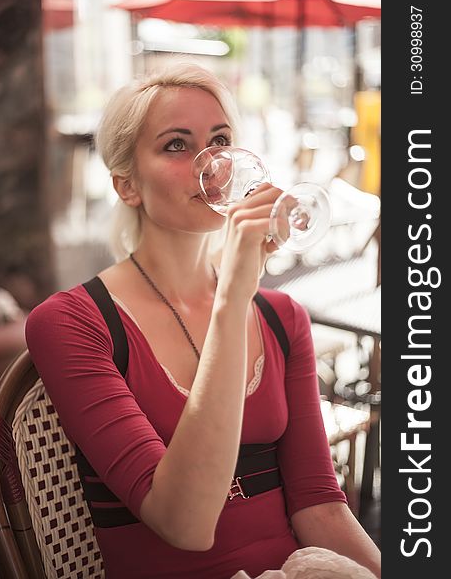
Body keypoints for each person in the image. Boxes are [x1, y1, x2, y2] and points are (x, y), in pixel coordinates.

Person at [25, 61, 381, 579]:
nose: (211, 164)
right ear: (127, 186)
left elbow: (320, 506)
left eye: (220, 139)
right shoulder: (71, 323)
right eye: (177, 145)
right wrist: (235, 293)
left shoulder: (283, 317)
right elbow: (185, 525)